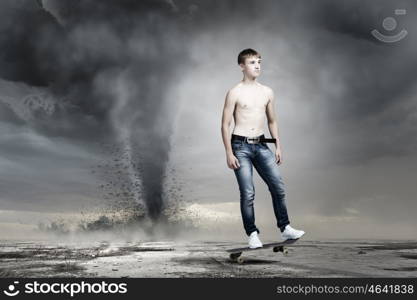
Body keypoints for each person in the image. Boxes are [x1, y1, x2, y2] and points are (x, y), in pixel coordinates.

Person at [221, 48, 305, 248]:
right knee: (248, 193)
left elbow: (272, 120)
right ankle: (252, 234)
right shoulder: (234, 92)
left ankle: (285, 228)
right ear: (242, 66)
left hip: (261, 144)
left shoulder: (267, 91)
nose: (257, 65)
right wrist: (229, 152)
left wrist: (278, 146)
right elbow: (225, 124)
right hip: (240, 146)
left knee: (278, 187)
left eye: (259, 61)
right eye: (252, 62)